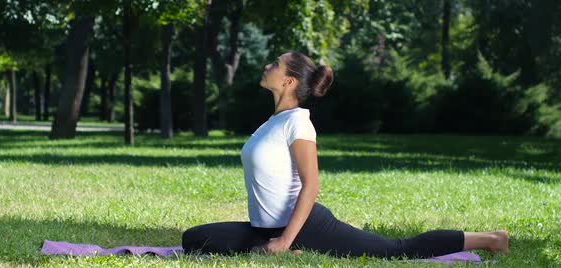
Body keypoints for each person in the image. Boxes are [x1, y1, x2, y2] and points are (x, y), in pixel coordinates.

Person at [182, 51, 509, 258]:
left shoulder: (298, 123)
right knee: (193, 238)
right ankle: (288, 247)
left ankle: (491, 239)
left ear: (289, 80)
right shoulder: (274, 122)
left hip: (306, 225)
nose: (267, 65)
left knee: (396, 250)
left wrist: (284, 241)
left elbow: (311, 185)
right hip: (264, 228)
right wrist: (276, 239)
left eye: (275, 64)